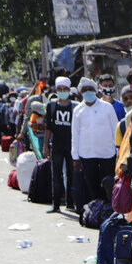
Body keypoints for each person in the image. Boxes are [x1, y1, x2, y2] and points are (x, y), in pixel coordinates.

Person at [70, 77, 118, 211]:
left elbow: (116, 131)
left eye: (90, 89)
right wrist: (75, 157)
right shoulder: (78, 110)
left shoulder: (107, 107)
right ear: (81, 93)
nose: (88, 92)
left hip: (107, 154)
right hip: (87, 154)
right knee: (91, 186)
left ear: (96, 90)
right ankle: (95, 212)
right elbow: (75, 134)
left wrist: (118, 152)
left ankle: (108, 211)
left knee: (108, 184)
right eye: (85, 90)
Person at [44, 76, 76, 214]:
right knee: (56, 175)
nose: (62, 91)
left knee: (71, 175)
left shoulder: (75, 107)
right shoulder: (51, 106)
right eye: (60, 89)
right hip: (56, 145)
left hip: (72, 145)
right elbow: (48, 128)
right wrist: (46, 145)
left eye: (65, 89)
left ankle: (71, 203)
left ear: (69, 90)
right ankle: (56, 204)